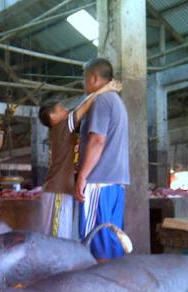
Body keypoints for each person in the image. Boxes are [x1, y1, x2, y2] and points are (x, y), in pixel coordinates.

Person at [37, 80, 121, 239]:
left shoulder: (59, 131)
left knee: (60, 233)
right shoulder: (62, 126)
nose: (66, 109)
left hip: (59, 188)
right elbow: (84, 106)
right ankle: (56, 263)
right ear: (52, 116)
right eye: (61, 108)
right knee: (58, 236)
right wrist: (106, 88)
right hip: (58, 190)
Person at [75, 58, 129, 261]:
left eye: (84, 78)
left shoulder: (102, 101)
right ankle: (116, 287)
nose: (83, 83)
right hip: (115, 183)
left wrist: (82, 175)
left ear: (93, 77)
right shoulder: (117, 102)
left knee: (95, 240)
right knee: (111, 238)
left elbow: (97, 140)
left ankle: (100, 289)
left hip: (98, 181)